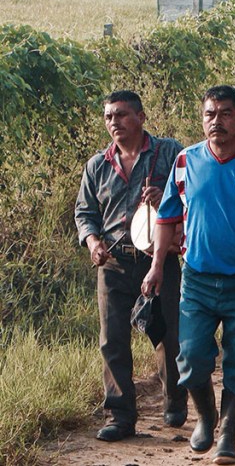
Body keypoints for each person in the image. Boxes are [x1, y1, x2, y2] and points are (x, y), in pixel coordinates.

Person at [142, 85, 235, 463]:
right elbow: (166, 218)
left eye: (226, 114)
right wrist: (157, 265)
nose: (217, 122)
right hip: (196, 279)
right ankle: (207, 418)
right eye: (210, 114)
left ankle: (229, 434)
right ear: (202, 119)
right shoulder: (185, 161)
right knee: (191, 358)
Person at [75, 90, 188, 442]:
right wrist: (93, 243)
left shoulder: (170, 152)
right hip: (115, 262)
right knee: (112, 339)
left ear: (141, 117)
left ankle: (175, 398)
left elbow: (195, 196)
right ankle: (120, 415)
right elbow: (85, 213)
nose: (114, 123)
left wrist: (169, 201)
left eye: (122, 115)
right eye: (109, 116)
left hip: (161, 257)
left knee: (167, 333)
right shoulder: (98, 164)